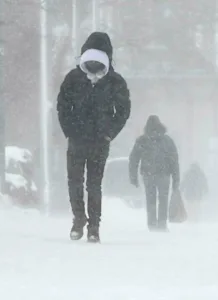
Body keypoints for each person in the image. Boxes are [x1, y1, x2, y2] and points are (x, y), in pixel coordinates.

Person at [57, 32, 131, 242]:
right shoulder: (76, 78)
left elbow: (124, 110)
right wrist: (70, 129)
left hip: (95, 140)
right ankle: (82, 221)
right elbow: (63, 105)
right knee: (80, 182)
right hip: (83, 139)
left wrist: (108, 133)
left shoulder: (113, 81)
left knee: (87, 183)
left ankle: (91, 225)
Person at [129, 115, 180, 231]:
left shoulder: (142, 140)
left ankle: (152, 224)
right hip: (164, 174)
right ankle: (162, 223)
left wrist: (133, 177)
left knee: (150, 199)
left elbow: (134, 159)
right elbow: (174, 161)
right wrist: (176, 179)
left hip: (148, 174)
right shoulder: (167, 141)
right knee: (163, 199)